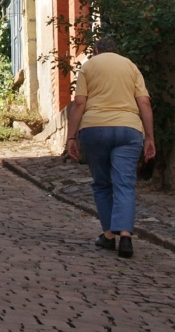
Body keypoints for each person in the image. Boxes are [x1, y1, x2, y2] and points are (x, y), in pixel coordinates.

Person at [66, 37, 156, 259]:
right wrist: (150, 137)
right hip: (129, 129)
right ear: (116, 51)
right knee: (125, 183)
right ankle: (125, 236)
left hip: (94, 129)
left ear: (96, 51)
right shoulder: (131, 66)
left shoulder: (89, 66)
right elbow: (144, 102)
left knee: (102, 183)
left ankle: (108, 235)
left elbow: (79, 103)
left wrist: (71, 137)